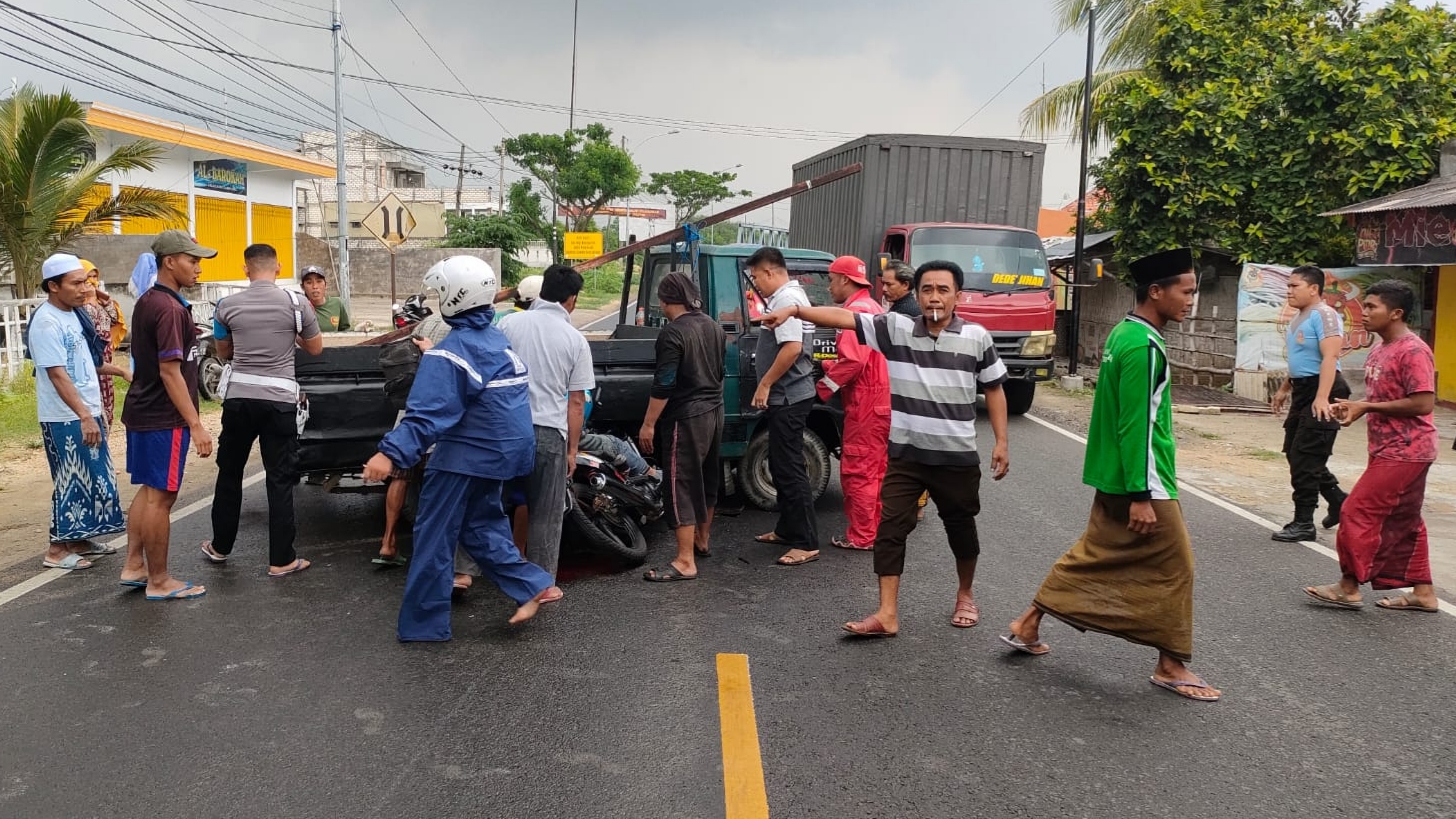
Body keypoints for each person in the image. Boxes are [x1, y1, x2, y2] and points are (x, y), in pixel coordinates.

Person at [1002, 248, 1221, 702]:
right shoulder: (1143, 346)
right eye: (1187, 291)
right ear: (1156, 292)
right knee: (1176, 568)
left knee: (1095, 555)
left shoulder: (1125, 333)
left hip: (1114, 474)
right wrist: (1142, 493)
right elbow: (1135, 423)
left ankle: (1027, 623)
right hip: (1143, 481)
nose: (1191, 301)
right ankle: (1170, 664)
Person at [760, 260, 1010, 636]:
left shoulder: (977, 337)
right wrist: (795, 309)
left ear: (958, 296)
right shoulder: (897, 328)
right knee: (890, 530)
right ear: (918, 294)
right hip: (906, 456)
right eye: (928, 289)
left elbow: (993, 387)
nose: (935, 297)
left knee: (960, 529)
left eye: (944, 290)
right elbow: (843, 319)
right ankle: (887, 614)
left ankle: (965, 594)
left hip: (955, 457)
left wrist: (1002, 442)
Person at [362, 255, 554, 639]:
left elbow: (427, 414)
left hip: (465, 456)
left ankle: (424, 626)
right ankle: (531, 585)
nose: (436, 300)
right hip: (502, 454)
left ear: (455, 297)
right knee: (480, 524)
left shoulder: (451, 352)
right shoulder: (495, 340)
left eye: (440, 293)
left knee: (434, 536)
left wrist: (389, 454)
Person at [1304, 279, 1441, 614]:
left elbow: (1423, 403)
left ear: (1395, 313)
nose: (1363, 313)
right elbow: (1386, 399)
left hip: (1407, 450)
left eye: (1371, 307)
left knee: (1355, 511)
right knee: (1406, 521)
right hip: (1387, 447)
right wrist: (1355, 408)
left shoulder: (1413, 350)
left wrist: (1368, 407)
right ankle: (1424, 593)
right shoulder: (1380, 348)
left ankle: (1348, 586)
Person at [201, 244, 323, 576]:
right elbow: (315, 348)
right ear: (278, 267)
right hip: (280, 401)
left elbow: (224, 350)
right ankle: (282, 560)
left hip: (239, 399)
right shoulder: (297, 303)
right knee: (280, 478)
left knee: (230, 472)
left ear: (245, 270)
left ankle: (220, 546)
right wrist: (289, 336)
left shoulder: (226, 306)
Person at [119, 230, 217, 601]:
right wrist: (196, 423)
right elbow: (170, 371)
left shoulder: (150, 300)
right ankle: (159, 580)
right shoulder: (170, 308)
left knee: (148, 491)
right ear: (169, 261)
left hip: (143, 410)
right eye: (192, 260)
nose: (197, 268)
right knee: (162, 498)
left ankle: (134, 565)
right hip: (163, 415)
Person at [496, 264, 595, 601]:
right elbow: (577, 402)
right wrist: (571, 451)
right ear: (572, 299)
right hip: (549, 433)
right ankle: (540, 585)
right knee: (545, 511)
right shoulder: (575, 340)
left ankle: (465, 572)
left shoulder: (509, 323)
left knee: (488, 501)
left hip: (506, 429)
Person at [31, 254, 129, 571]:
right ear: (54, 286)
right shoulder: (46, 322)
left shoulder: (74, 315)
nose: (84, 288)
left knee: (94, 477)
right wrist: (85, 415)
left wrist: (121, 372)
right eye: (76, 283)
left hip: (86, 410)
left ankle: (79, 538)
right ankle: (57, 549)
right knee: (71, 478)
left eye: (85, 281)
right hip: (64, 416)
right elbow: (58, 374)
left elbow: (88, 364)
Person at [638, 272, 727, 582]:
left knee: (680, 484)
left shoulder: (672, 333)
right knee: (708, 477)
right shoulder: (713, 326)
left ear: (664, 301)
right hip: (715, 411)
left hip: (686, 416)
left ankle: (685, 560)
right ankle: (702, 540)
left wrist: (648, 424)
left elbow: (664, 383)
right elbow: (719, 371)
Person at [746, 247, 821, 566]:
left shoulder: (787, 300)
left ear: (769, 272)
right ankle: (788, 529)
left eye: (755, 277)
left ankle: (806, 541)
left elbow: (791, 349)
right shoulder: (784, 297)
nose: (755, 285)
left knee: (790, 468)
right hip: (787, 395)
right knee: (780, 464)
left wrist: (765, 383)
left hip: (789, 396)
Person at [1269, 265, 1350, 542]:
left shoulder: (1325, 315)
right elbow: (1300, 362)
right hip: (1303, 390)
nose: (1288, 291)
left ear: (1313, 289)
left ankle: (1304, 522)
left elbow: (1330, 358)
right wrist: (1283, 389)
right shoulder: (1299, 317)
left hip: (1324, 388)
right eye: (1288, 286)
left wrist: (1322, 397)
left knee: (1307, 455)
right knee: (1295, 451)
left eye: (1294, 286)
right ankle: (1339, 500)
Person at [817, 256, 890, 552]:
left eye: (832, 280)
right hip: (881, 399)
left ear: (846, 280)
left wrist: (823, 387)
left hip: (865, 402)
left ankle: (862, 536)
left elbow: (854, 362)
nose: (830, 287)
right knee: (877, 469)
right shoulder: (873, 307)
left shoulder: (853, 314)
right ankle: (876, 530)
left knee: (858, 469)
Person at [78, 259, 127, 427]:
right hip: (92, 358)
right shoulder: (80, 308)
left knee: (107, 399)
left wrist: (103, 300)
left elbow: (115, 318)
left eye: (94, 277)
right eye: (87, 278)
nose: (92, 281)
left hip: (106, 358)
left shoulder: (101, 303)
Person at [301, 265, 352, 331]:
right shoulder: (300, 308)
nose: (315, 286)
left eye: (319, 281)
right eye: (309, 283)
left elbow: (345, 330)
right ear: (302, 287)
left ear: (326, 284)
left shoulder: (337, 304)